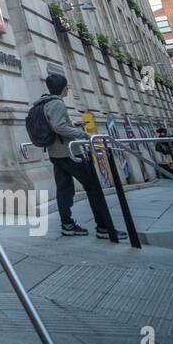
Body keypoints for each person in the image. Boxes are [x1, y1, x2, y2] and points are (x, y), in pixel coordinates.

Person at [32, 74, 121, 239]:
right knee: (94, 188)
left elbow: (56, 126)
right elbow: (59, 127)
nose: (68, 89)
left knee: (64, 190)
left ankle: (67, 225)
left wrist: (70, 125)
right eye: (67, 86)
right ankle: (104, 227)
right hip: (70, 153)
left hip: (55, 153)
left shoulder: (44, 103)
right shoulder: (57, 103)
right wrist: (82, 134)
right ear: (63, 87)